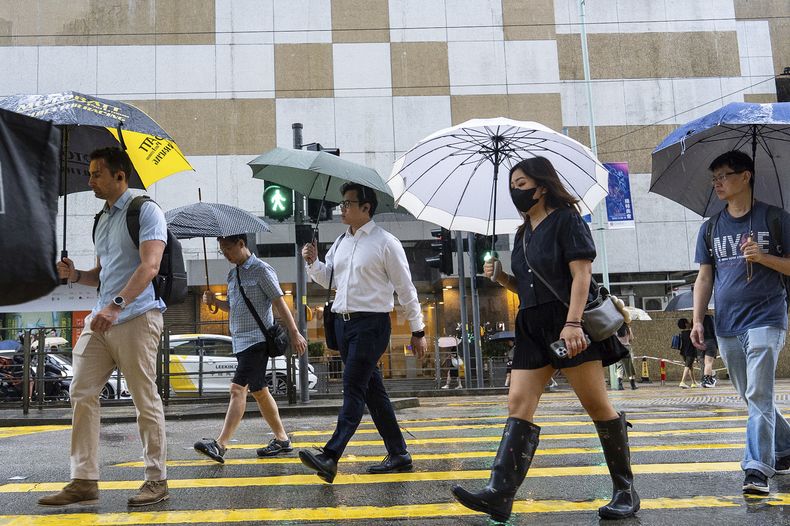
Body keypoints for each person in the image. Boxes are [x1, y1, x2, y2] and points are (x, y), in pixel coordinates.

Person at [451, 157, 638, 522]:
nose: (515, 191)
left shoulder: (567, 220)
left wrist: (572, 324)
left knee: (596, 405)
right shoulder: (522, 234)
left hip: (567, 322)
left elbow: (581, 276)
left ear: (542, 186)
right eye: (512, 185)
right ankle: (499, 493)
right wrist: (503, 278)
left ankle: (625, 490)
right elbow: (530, 288)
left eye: (521, 184)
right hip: (531, 325)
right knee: (518, 403)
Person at [39, 147, 169, 507]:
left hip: (137, 317)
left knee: (144, 399)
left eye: (97, 173)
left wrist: (116, 306)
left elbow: (149, 266)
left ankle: (156, 480)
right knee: (81, 391)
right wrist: (76, 274)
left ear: (120, 176)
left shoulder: (145, 211)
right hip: (102, 318)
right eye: (91, 172)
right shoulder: (102, 218)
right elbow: (104, 274)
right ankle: (83, 479)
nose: (90, 179)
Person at [298, 182, 427, 483]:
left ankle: (331, 455)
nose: (341, 208)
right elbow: (329, 278)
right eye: (341, 204)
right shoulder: (342, 242)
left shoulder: (386, 243)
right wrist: (312, 262)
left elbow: (405, 289)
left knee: (353, 384)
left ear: (366, 207)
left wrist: (417, 330)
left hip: (372, 324)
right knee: (372, 391)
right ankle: (399, 453)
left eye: (347, 203)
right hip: (343, 324)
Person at [691, 150, 790, 495]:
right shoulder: (712, 227)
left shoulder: (776, 218)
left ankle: (757, 468)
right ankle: (787, 445)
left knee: (759, 392)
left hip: (767, 317)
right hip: (727, 323)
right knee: (750, 396)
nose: (717, 183)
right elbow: (704, 277)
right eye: (714, 178)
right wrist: (698, 318)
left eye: (724, 176)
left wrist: (762, 257)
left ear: (745, 176)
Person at [194, 234, 307, 463]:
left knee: (237, 389)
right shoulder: (232, 273)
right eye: (221, 249)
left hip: (258, 340)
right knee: (259, 391)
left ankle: (220, 445)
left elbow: (278, 302)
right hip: (240, 341)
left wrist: (295, 332)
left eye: (228, 248)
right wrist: (215, 303)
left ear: (242, 244)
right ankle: (282, 439)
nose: (225, 253)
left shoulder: (262, 270)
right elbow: (234, 307)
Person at [615, 320, 638, 390]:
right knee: (629, 366)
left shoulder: (615, 328)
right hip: (627, 348)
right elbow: (631, 338)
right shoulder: (627, 328)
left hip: (618, 349)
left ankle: (620, 385)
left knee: (619, 366)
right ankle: (632, 385)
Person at [676, 318, 698, 389]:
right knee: (687, 366)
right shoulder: (691, 333)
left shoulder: (682, 333)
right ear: (686, 324)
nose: (689, 323)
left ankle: (694, 382)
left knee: (690, 367)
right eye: (688, 322)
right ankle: (683, 382)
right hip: (690, 352)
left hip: (683, 352)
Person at [700, 314, 718, 387]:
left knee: (704, 362)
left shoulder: (697, 319)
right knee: (709, 363)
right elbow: (715, 331)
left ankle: (707, 380)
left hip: (701, 343)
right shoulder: (710, 318)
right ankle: (707, 380)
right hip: (710, 341)